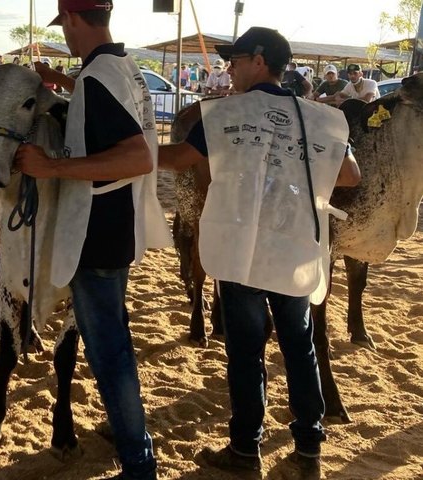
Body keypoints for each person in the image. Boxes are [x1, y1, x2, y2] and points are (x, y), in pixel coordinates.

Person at [157, 26, 360, 479]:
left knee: (247, 353)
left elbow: (179, 160)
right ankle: (309, 445)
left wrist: (131, 154)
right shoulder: (320, 118)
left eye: (236, 59)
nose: (229, 68)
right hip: (292, 249)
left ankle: (246, 450)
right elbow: (349, 176)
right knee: (300, 347)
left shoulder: (226, 114)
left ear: (260, 60)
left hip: (241, 251)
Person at [16, 1, 168, 478]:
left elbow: (137, 156)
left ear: (76, 20)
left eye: (67, 27)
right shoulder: (122, 66)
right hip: (118, 224)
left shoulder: (99, 77)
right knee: (113, 337)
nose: (68, 37)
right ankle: (127, 428)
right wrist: (64, 83)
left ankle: (139, 460)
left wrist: (52, 167)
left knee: (109, 352)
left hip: (95, 230)